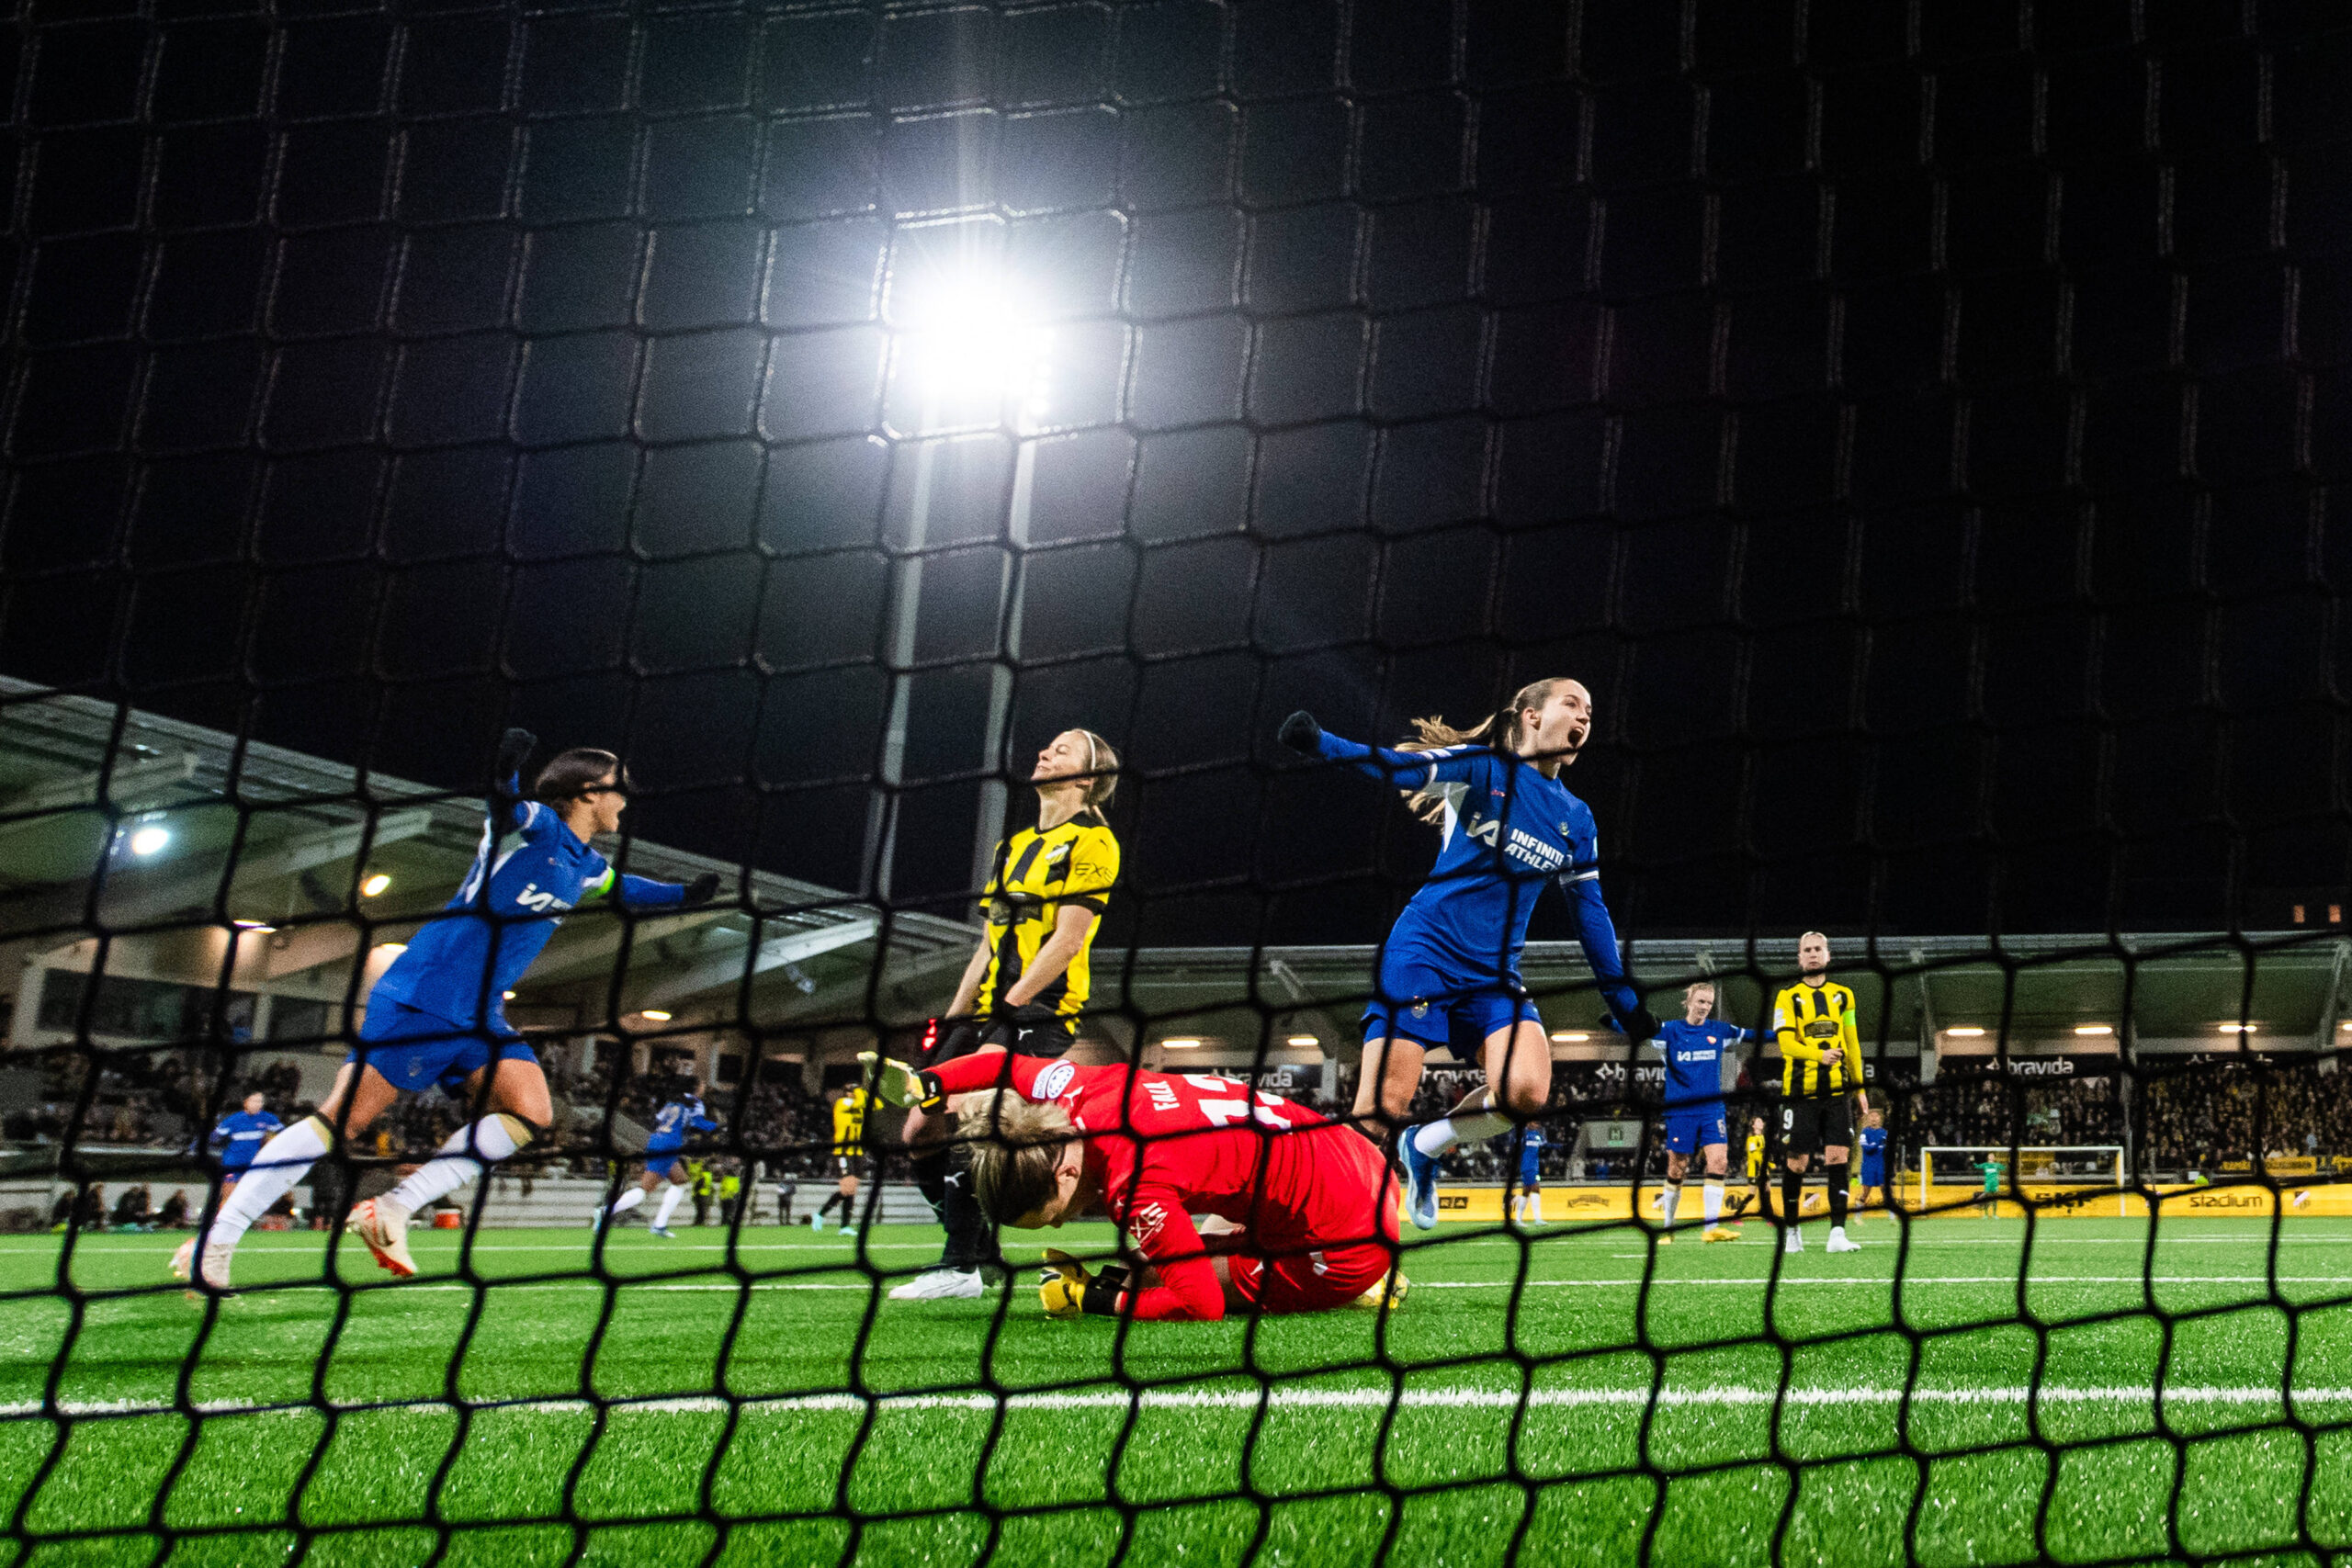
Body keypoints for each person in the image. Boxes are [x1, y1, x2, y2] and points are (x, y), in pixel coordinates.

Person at [172, 729, 718, 1292]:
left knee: (532, 1113)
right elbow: (502, 805)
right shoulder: (536, 826)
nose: (626, 799)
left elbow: (623, 886)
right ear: (586, 792)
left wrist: (683, 897)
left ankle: (392, 1207)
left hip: (479, 1012)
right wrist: (506, 768)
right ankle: (216, 1242)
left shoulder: (583, 863)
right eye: (618, 787)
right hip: (427, 994)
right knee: (342, 1120)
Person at [1278, 682, 1657, 1230]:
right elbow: (1400, 769)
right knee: (1380, 1109)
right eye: (1572, 704)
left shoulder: (1578, 817)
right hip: (1424, 951)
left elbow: (1590, 912)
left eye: (1591, 711)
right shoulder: (1483, 768)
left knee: (1525, 1093)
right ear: (1531, 716)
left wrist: (1620, 996)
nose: (1585, 716)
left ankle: (1427, 1146)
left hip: (1494, 975)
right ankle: (1326, 1228)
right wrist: (1322, 745)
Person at [860, 1044, 1405, 1320]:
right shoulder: (1076, 1090)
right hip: (1355, 1158)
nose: (1064, 1222)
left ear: (1067, 1173)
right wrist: (928, 1085)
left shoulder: (1133, 1183)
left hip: (1347, 1242)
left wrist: (1091, 1299)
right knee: (1160, 1256)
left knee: (1145, 1279)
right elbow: (1001, 1062)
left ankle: (1363, 1285)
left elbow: (1200, 1306)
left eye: (1055, 1214)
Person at [893, 729, 1121, 1300]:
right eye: (1047, 747)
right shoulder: (1011, 847)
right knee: (918, 1130)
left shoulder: (1096, 843)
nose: (1045, 753)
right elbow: (989, 943)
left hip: (1042, 1006)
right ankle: (982, 1253)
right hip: (990, 1009)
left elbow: (1068, 942)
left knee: (971, 1109)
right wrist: (953, 1021)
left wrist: (1010, 1008)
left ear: (1087, 778)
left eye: (1061, 750)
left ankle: (957, 1267)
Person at [1770, 931, 1864, 1256]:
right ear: (1800, 958)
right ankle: (1792, 1231)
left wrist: (1860, 1087)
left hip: (1837, 1091)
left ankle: (1837, 1233)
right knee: (1798, 1162)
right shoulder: (1788, 997)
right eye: (1806, 950)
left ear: (1828, 955)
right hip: (1799, 1093)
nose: (1812, 954)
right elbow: (1785, 1044)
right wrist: (1818, 1056)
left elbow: (1851, 1044)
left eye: (1818, 949)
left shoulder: (1844, 996)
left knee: (1839, 1158)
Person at [1648, 980, 1752, 1245]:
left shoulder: (1719, 1030)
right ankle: (1668, 1228)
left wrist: (1785, 1034)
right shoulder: (1670, 1031)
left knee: (1719, 1161)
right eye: (1701, 1001)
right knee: (1677, 1167)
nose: (1705, 1007)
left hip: (1711, 1108)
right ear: (1689, 1002)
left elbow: (1751, 1034)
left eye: (1709, 1002)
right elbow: (1638, 1028)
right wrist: (1615, 1022)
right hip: (1680, 1110)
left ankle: (1711, 1228)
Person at [594, 1089, 718, 1238]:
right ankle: (605, 1211)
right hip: (668, 1146)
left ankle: (660, 1225)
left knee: (680, 1181)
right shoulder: (691, 1107)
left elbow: (656, 1121)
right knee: (645, 1188)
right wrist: (719, 1126)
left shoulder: (671, 1105)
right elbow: (701, 1123)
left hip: (657, 1141)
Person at [207, 1092, 281, 1190]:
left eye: (260, 1101)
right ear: (245, 1103)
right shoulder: (232, 1120)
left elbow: (284, 1134)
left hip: (254, 1165)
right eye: (254, 1101)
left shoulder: (269, 1119)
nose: (258, 1104)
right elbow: (214, 1137)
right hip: (233, 1164)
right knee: (228, 1195)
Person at [1855, 1108, 1888, 1224]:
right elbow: (1866, 1148)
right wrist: (1876, 1144)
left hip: (1881, 1165)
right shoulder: (1865, 1132)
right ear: (1868, 1119)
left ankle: (1892, 1217)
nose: (1874, 1118)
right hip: (1868, 1166)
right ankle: (1858, 1217)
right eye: (1871, 1116)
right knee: (1865, 1192)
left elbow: (1887, 1150)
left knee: (1885, 1190)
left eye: (1876, 1116)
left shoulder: (1884, 1133)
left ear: (1880, 1119)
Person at [1507, 1123, 1544, 1225]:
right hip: (1527, 1166)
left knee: (1526, 1192)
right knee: (1536, 1188)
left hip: (1535, 1166)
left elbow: (1544, 1144)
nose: (1536, 1125)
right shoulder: (1523, 1133)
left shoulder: (1537, 1135)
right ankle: (1537, 1219)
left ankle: (1519, 1219)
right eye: (1533, 1122)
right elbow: (1514, 1145)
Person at [689, 1162, 714, 1226]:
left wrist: (695, 1192)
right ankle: (704, 1222)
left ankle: (700, 1222)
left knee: (701, 1209)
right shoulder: (710, 1175)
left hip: (701, 1194)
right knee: (705, 1209)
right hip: (707, 1193)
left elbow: (698, 1185)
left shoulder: (703, 1175)